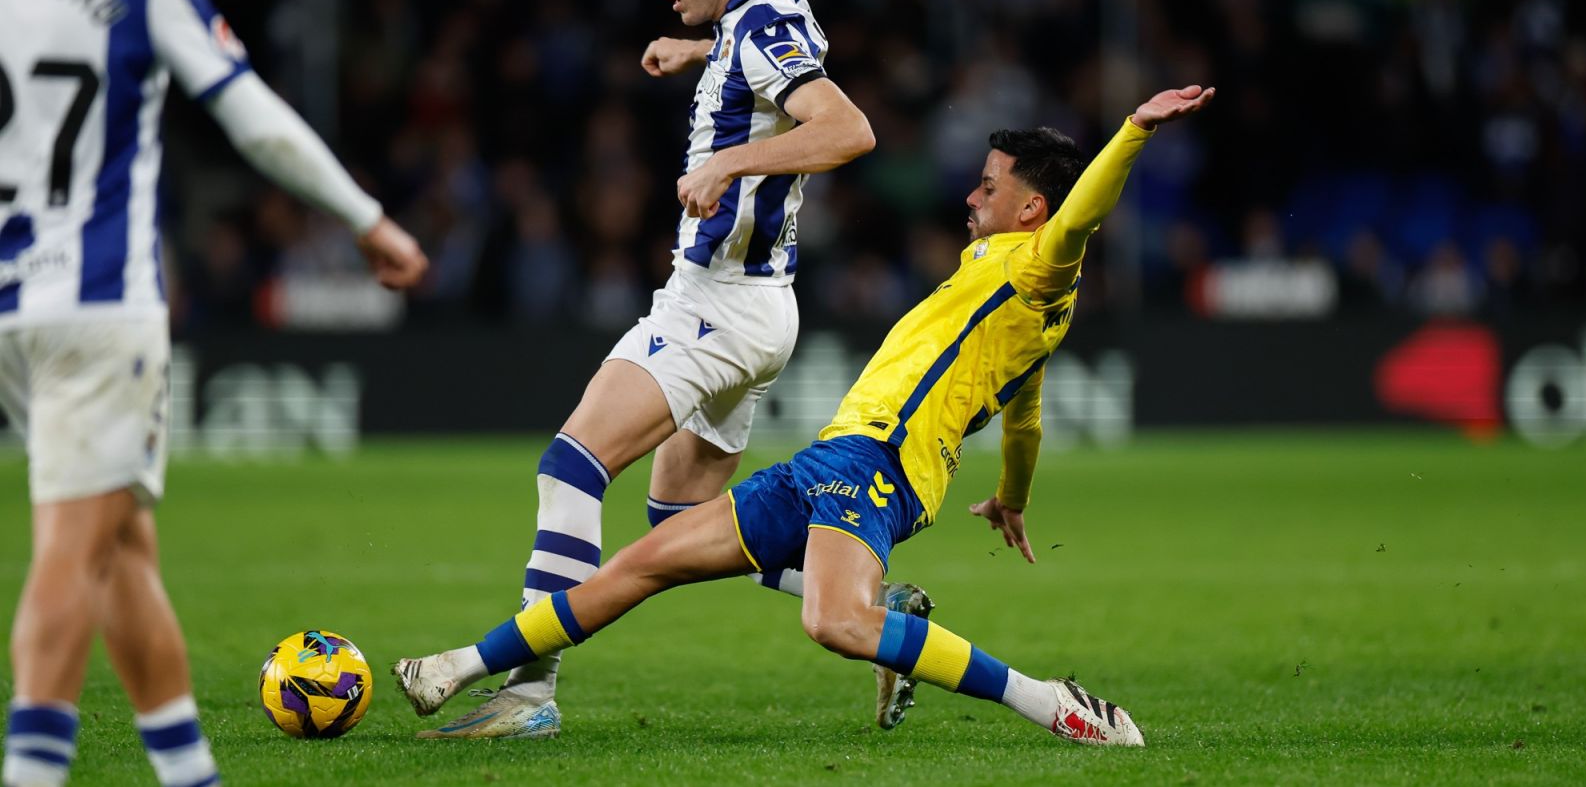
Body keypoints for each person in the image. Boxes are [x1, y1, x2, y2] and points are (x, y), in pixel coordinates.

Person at [395, 85, 1217, 747]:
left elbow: (1082, 214)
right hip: (831, 458)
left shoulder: (1043, 265)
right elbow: (1026, 416)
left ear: (1033, 209)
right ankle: (454, 668)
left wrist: (1133, 130)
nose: (971, 194)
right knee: (643, 558)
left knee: (834, 620)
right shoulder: (1005, 280)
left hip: (882, 466)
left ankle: (1053, 703)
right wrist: (1012, 496)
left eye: (990, 185)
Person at [0, 0, 428, 785]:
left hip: (7, 299)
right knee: (71, 548)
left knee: (120, 542)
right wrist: (365, 217)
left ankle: (191, 772)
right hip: (94, 305)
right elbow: (254, 119)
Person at [423, 0, 899, 741]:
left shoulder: (760, 26)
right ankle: (870, 602)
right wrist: (698, 54)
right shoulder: (765, 14)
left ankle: (528, 693)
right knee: (680, 519)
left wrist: (728, 163)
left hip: (716, 304)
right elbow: (762, 63)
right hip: (761, 307)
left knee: (571, 467)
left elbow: (848, 128)